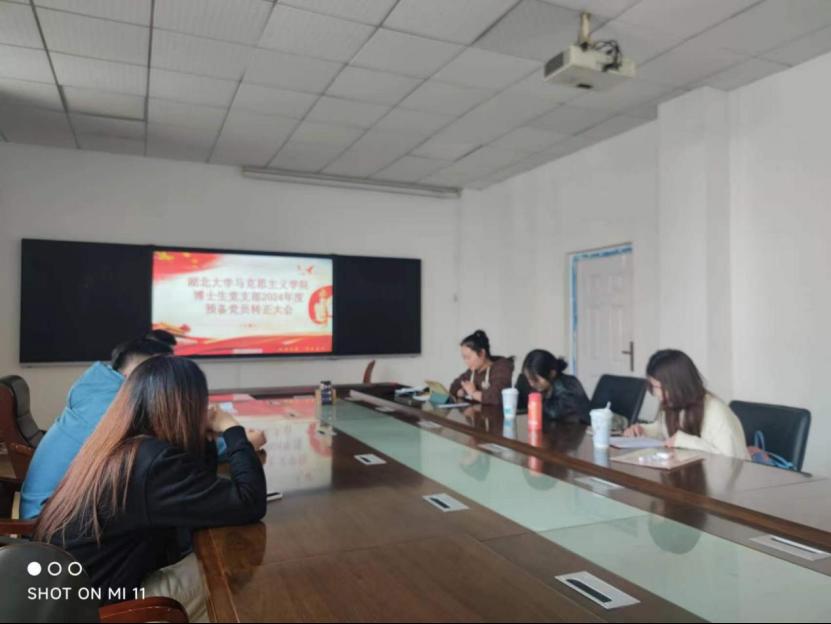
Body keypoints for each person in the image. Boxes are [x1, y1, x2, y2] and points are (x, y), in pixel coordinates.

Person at [33, 356, 267, 621]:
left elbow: (201, 493)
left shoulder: (120, 445)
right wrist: (232, 429)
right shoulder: (153, 463)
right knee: (224, 561)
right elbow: (249, 501)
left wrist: (206, 442)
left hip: (65, 599)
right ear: (185, 408)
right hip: (99, 611)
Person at [20, 331, 266, 519]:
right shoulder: (113, 411)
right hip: (53, 524)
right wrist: (235, 438)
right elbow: (166, 455)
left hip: (69, 515)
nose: (167, 383)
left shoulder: (104, 393)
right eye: (161, 374)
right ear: (143, 375)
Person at [623, 349, 749, 460]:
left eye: (657, 387)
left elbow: (730, 460)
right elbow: (663, 429)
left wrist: (684, 441)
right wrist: (643, 430)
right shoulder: (673, 404)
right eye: (653, 386)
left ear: (678, 385)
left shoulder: (716, 412)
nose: (656, 393)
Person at [518, 349, 590, 424]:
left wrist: (538, 401)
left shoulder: (568, 385)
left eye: (536, 380)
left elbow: (556, 413)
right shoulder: (544, 387)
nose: (531, 384)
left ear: (552, 373)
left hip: (578, 429)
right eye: (529, 379)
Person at [448, 330, 513, 405]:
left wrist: (473, 393)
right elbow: (454, 387)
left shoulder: (501, 367)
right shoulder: (473, 370)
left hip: (497, 412)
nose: (466, 362)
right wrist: (462, 392)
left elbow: (497, 397)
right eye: (464, 358)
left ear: (482, 353)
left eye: (468, 357)